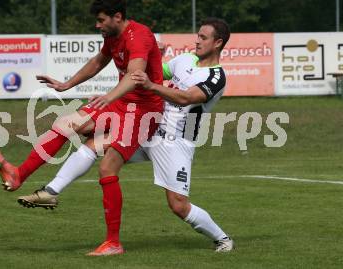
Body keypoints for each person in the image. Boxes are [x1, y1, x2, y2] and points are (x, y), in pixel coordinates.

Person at [18, 17, 234, 254]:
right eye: (198, 35)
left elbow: (187, 97)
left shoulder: (216, 77)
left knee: (178, 205)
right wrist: (153, 57)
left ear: (218, 43)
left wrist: (151, 86)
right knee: (96, 146)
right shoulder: (185, 59)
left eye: (203, 37)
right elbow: (149, 74)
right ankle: (51, 192)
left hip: (175, 141)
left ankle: (222, 238)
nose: (197, 40)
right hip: (147, 125)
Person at [0, 0, 163, 256]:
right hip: (121, 103)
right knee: (66, 123)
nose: (98, 25)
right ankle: (18, 175)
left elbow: (137, 76)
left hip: (143, 112)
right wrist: (66, 85)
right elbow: (98, 62)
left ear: (118, 17)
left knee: (107, 167)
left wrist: (108, 96)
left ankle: (113, 243)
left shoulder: (138, 35)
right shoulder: (112, 37)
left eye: (101, 20)